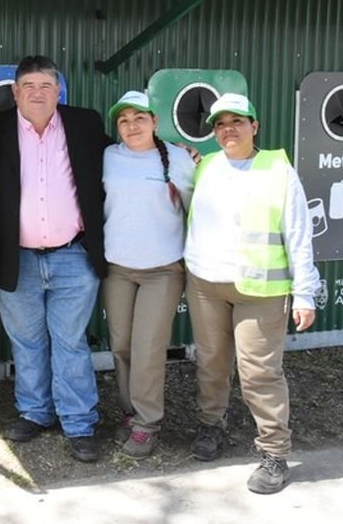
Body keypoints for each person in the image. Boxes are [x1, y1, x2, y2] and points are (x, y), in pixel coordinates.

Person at [184, 92, 319, 494]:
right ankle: (212, 425)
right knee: (211, 362)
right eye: (221, 124)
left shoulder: (278, 169)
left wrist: (305, 292)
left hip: (260, 289)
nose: (228, 129)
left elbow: (298, 232)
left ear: (254, 126)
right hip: (206, 283)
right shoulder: (205, 165)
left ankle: (275, 453)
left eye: (237, 122)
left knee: (259, 372)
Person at [0, 56, 111, 463]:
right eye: (29, 86)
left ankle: (79, 422)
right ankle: (36, 412)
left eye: (47, 86)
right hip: (15, 256)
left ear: (59, 92)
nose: (38, 93)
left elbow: (125, 154)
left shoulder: (84, 124)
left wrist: (172, 152)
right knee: (27, 341)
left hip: (73, 255)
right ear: (16, 93)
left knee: (70, 342)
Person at [101, 90, 195, 459]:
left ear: (155, 122)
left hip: (163, 269)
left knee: (148, 348)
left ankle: (147, 423)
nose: (131, 125)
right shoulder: (108, 157)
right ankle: (131, 410)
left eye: (139, 118)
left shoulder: (178, 158)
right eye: (123, 120)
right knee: (122, 345)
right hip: (118, 268)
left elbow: (195, 210)